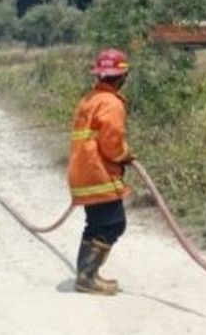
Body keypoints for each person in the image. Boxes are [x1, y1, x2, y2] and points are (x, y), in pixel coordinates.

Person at [67, 49, 135, 296]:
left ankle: (87, 274)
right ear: (122, 75)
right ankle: (87, 277)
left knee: (96, 224)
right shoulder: (111, 103)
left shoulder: (90, 99)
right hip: (99, 174)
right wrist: (124, 155)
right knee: (113, 224)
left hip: (83, 172)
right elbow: (111, 141)